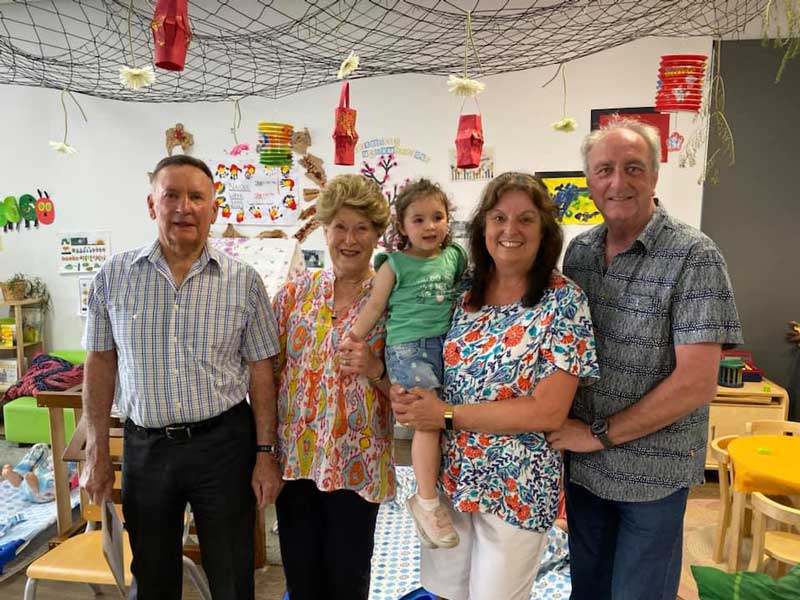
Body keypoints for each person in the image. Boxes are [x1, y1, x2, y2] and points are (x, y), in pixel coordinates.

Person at [547, 118, 743, 600]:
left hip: (653, 478)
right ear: (589, 182)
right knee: (587, 591)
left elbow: (697, 383)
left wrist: (597, 435)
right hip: (586, 474)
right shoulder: (580, 252)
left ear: (655, 176)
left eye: (633, 168)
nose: (618, 182)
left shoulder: (695, 255)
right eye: (604, 169)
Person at [81, 155, 282, 600]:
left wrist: (266, 452)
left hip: (224, 446)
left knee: (232, 573)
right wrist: (96, 447)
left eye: (196, 197)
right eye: (171, 195)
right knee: (152, 575)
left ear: (214, 207)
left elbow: (261, 369)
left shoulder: (243, 282)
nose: (183, 207)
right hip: (146, 448)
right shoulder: (114, 276)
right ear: (152, 204)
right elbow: (99, 362)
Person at [392, 171, 599, 600]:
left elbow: (547, 410)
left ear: (545, 231)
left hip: (517, 487)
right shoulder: (462, 290)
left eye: (525, 219)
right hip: (450, 481)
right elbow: (419, 352)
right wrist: (394, 386)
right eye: (499, 217)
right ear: (483, 225)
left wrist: (445, 415)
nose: (510, 230)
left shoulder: (564, 301)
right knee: (445, 594)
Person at [272, 173, 394, 600]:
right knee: (301, 581)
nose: (350, 239)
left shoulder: (393, 302)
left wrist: (375, 367)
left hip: (356, 464)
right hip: (296, 462)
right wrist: (263, 454)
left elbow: (411, 389)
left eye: (362, 227)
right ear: (325, 229)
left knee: (348, 580)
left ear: (378, 235)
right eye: (340, 226)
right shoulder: (293, 295)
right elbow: (268, 376)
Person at [349, 178, 467, 549]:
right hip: (409, 349)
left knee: (447, 420)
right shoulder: (394, 264)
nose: (429, 226)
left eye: (437, 217)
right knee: (428, 423)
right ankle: (425, 500)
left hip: (448, 346)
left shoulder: (455, 257)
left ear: (449, 220)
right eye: (418, 220)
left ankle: (440, 494)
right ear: (402, 227)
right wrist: (353, 337)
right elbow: (373, 307)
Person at [1, 443, 77, 503]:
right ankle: (18, 474)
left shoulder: (74, 465)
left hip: (45, 488)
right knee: (41, 447)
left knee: (59, 474)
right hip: (36, 475)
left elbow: (72, 480)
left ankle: (34, 486)